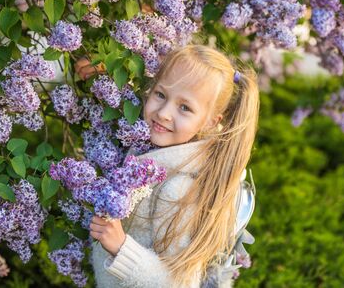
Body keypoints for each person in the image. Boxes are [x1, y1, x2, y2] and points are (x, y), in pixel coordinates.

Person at [89, 44, 260, 287]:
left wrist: (121, 248)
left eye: (185, 108)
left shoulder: (179, 190)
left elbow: (181, 282)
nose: (164, 113)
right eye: (160, 94)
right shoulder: (151, 150)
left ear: (211, 122)